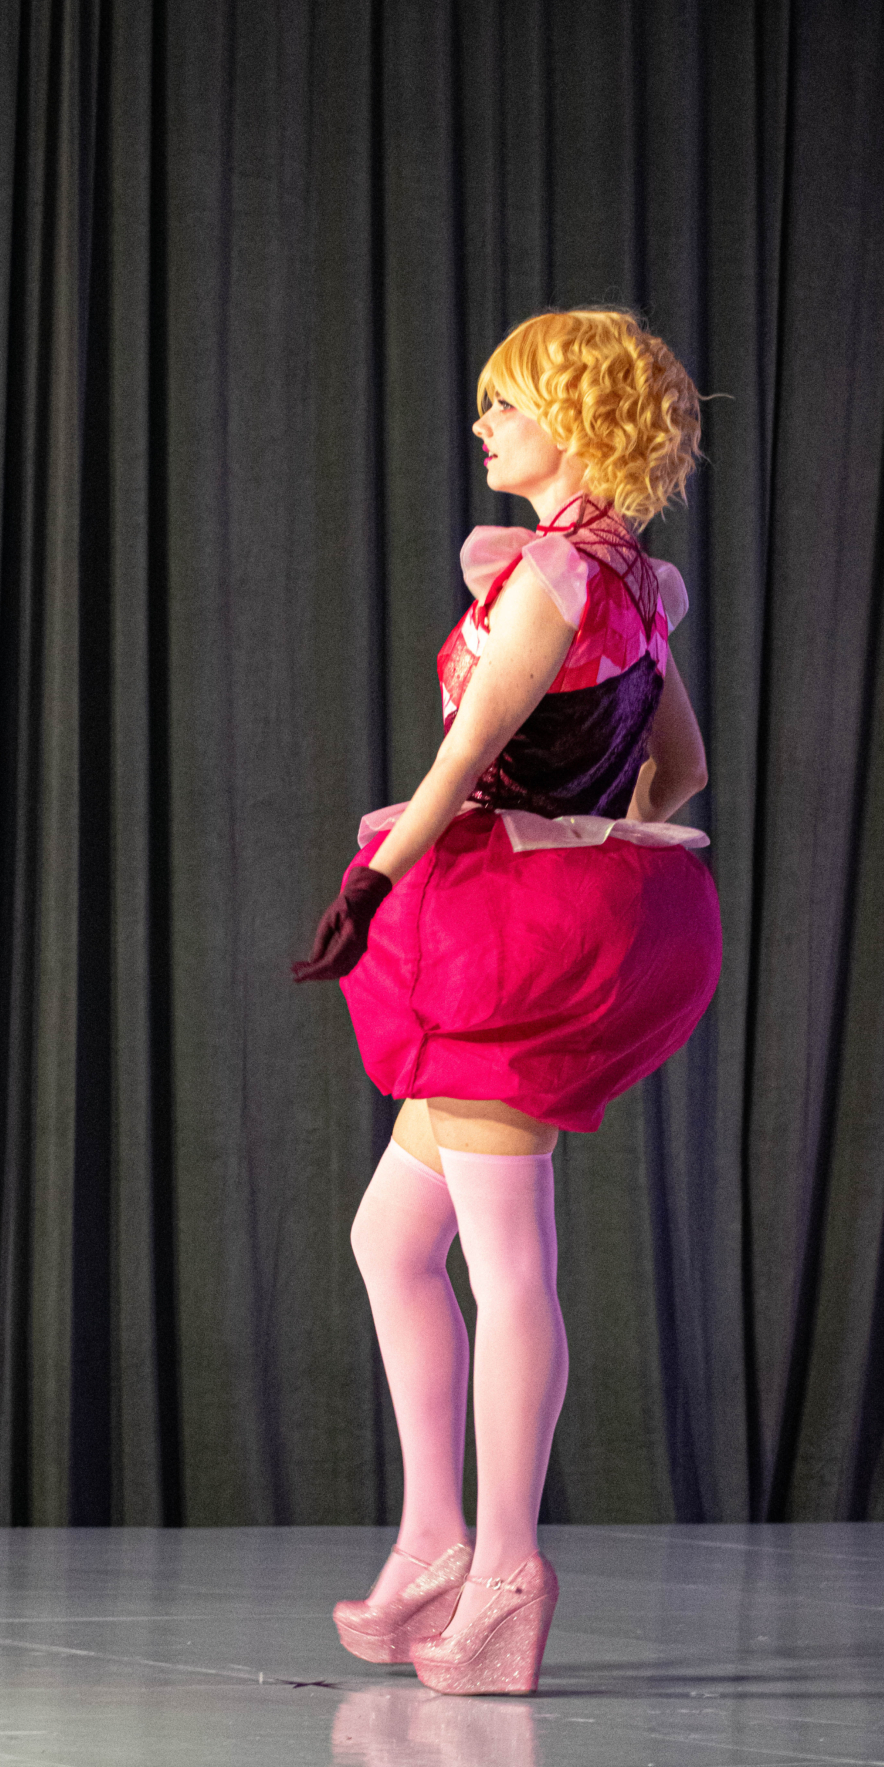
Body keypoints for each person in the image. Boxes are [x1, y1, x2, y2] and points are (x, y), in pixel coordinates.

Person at [293, 308, 721, 1696]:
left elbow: (468, 752)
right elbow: (680, 769)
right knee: (390, 1237)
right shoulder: (632, 579)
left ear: (577, 420)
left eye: (508, 405)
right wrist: (599, 847)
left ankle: (506, 1574)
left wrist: (377, 882)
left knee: (508, 1263)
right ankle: (436, 1540)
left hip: (507, 935)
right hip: (544, 914)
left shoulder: (554, 576)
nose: (485, 427)